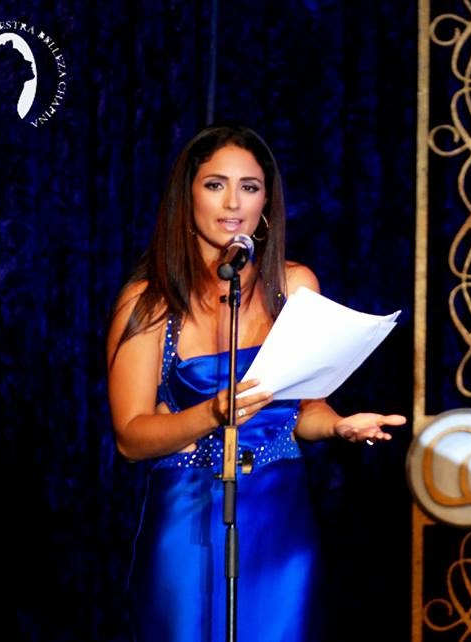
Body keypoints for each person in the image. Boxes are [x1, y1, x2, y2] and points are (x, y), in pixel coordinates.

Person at [107, 123, 405, 642]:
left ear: (266, 202)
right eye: (215, 184)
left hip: (280, 518)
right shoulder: (149, 301)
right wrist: (211, 413)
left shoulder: (294, 285)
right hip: (189, 516)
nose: (233, 202)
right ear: (188, 197)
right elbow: (130, 438)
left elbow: (304, 409)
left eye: (249, 187)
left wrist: (338, 426)